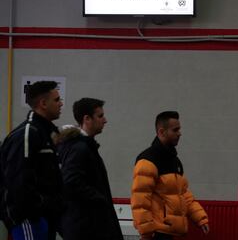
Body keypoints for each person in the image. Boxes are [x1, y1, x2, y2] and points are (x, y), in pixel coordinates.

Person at [131, 111, 209, 240]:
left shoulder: (175, 161)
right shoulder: (148, 160)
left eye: (179, 129)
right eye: (175, 130)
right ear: (162, 132)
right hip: (157, 232)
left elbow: (183, 194)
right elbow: (140, 200)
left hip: (172, 232)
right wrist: (145, 232)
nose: (180, 133)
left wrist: (200, 218)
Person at [0, 81, 63, 240]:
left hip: (45, 217)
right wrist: (38, 209)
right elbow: (18, 181)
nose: (61, 104)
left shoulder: (47, 134)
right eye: (56, 100)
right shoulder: (28, 134)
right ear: (43, 103)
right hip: (29, 218)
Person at [55, 98, 123, 240]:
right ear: (87, 119)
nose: (105, 120)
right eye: (100, 116)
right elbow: (71, 181)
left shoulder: (82, 146)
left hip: (85, 225)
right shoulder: (79, 148)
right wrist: (100, 199)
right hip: (87, 228)